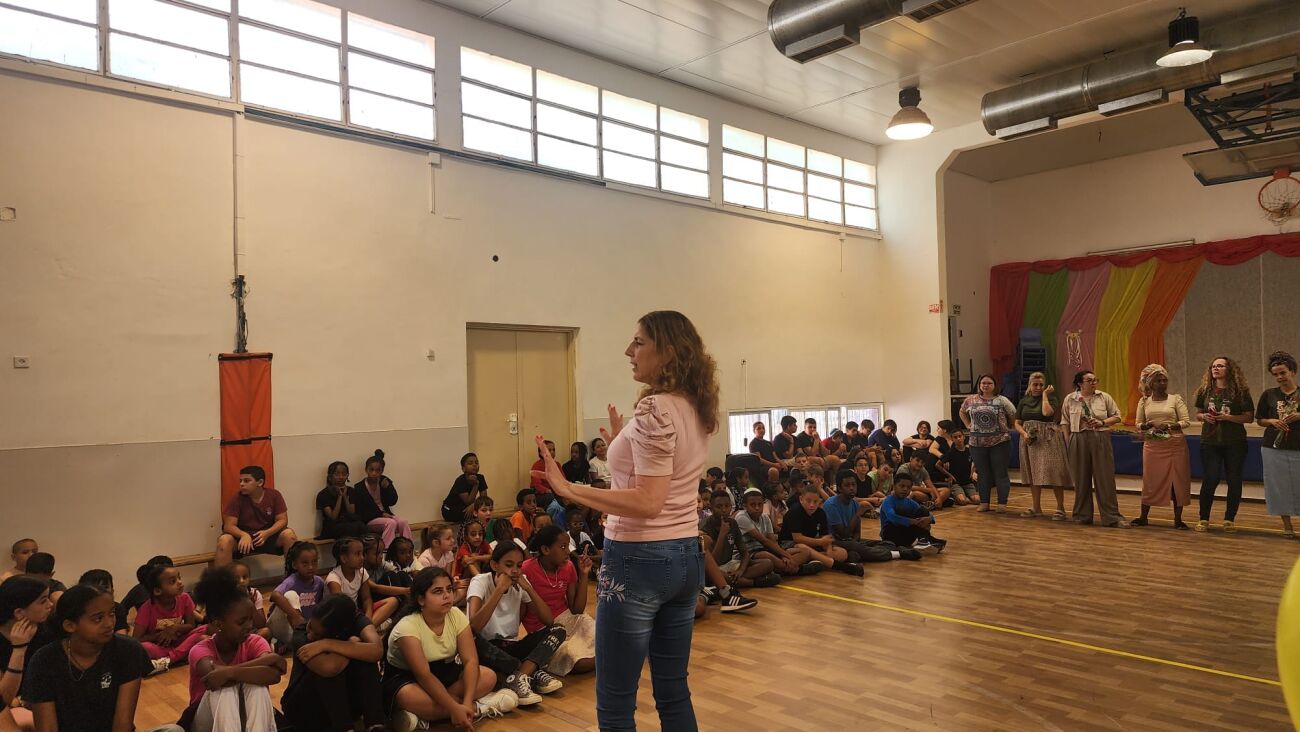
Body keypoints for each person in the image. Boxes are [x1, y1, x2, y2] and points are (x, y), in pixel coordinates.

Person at [531, 311, 714, 730]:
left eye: (639, 342)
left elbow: (649, 502)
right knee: (673, 690)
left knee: (615, 701)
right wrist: (622, 446)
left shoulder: (654, 408)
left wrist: (569, 488)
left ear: (668, 352)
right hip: (685, 555)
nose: (629, 351)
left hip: (639, 559)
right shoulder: (694, 405)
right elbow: (664, 479)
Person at [21, 585, 181, 732]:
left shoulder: (127, 649)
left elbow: (123, 724)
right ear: (70, 625)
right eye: (98, 618)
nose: (109, 623)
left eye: (111, 614)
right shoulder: (44, 660)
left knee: (173, 730)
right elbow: (48, 728)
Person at [383, 568, 519, 730]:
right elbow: (424, 675)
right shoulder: (407, 627)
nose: (447, 595)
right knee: (408, 696)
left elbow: (470, 661)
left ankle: (425, 716)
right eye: (438, 591)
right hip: (408, 678)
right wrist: (454, 708)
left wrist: (467, 701)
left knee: (488, 676)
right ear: (421, 599)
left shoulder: (455, 614)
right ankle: (481, 707)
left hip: (444, 672)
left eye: (449, 589)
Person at [183, 567, 286, 732]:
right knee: (224, 690)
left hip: (246, 718)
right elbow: (214, 679)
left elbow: (273, 676)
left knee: (257, 686)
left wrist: (229, 672)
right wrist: (268, 660)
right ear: (217, 623)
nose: (249, 626)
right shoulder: (200, 649)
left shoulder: (255, 641)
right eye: (241, 622)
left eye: (250, 619)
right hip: (208, 723)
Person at [467, 542, 566, 705]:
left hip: (510, 647)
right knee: (471, 637)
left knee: (558, 629)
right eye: (508, 565)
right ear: (494, 565)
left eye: (519, 566)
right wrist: (499, 590)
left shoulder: (521, 583)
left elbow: (548, 620)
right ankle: (531, 673)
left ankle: (518, 676)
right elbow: (474, 626)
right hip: (484, 648)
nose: (515, 570)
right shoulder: (480, 581)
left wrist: (528, 588)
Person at [281, 595, 385, 732]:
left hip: (344, 704)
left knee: (367, 661)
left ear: (338, 633)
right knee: (335, 668)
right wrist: (351, 644)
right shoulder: (301, 633)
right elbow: (329, 668)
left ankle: (375, 725)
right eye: (310, 625)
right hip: (305, 707)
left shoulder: (354, 621)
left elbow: (377, 650)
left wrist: (327, 644)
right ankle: (346, 728)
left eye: (318, 635)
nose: (310, 635)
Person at [521, 525, 597, 676]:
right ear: (545, 549)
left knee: (601, 633)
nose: (568, 552)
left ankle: (604, 655)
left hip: (568, 619)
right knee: (579, 662)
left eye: (568, 546)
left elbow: (577, 610)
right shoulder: (526, 569)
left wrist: (583, 575)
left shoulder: (568, 567)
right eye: (562, 547)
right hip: (543, 629)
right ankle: (605, 656)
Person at [1060, 370, 1130, 528]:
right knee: (1080, 479)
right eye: (1089, 380)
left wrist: (1102, 422)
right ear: (1080, 383)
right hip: (1078, 438)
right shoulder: (1070, 399)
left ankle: (1112, 517)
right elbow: (1064, 421)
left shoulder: (1104, 397)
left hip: (1100, 437)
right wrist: (1068, 440)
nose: (1093, 383)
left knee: (1105, 478)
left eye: (1095, 380)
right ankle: (1082, 515)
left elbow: (1117, 416)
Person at [1193, 356, 1255, 532]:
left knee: (1234, 480)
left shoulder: (1241, 391)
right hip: (1210, 442)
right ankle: (1204, 518)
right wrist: (1204, 417)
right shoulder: (1205, 390)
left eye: (1220, 366)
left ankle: (1229, 519)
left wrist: (1228, 417)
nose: (1215, 368)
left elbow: (1249, 417)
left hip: (1235, 442)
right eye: (1213, 366)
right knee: (1210, 479)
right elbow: (1198, 413)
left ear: (1229, 370)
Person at [1135, 364, 1193, 529]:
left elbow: (1186, 421)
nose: (1163, 383)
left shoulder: (1175, 399)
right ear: (1150, 383)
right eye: (1158, 381)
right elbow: (1138, 424)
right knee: (1150, 480)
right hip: (1153, 444)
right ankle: (1143, 517)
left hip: (1174, 444)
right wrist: (1147, 426)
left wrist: (1168, 426)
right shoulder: (1144, 401)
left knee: (1177, 481)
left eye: (1165, 380)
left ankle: (1178, 520)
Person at [825, 473, 921, 562]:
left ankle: (859, 553)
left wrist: (856, 544)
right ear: (839, 488)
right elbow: (843, 535)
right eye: (847, 485)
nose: (851, 488)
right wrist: (857, 514)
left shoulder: (854, 503)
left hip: (850, 542)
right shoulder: (832, 505)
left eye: (854, 485)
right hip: (834, 542)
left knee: (889, 544)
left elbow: (857, 534)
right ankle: (898, 554)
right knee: (854, 546)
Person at [215, 465, 299, 568]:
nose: (241, 484)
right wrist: (243, 535)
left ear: (260, 482)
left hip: (267, 537)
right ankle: (222, 578)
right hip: (243, 540)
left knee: (289, 535)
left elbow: (282, 520)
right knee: (224, 540)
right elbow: (228, 526)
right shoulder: (236, 498)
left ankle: (292, 574)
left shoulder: (274, 495)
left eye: (246, 481)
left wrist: (267, 533)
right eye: (240, 481)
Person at [0, 576, 54, 732]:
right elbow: (4, 699)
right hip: (12, 710)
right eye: (43, 601)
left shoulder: (49, 630)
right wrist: (19, 649)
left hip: (41, 702)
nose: (50, 605)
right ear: (19, 612)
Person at [1015, 372, 1070, 520]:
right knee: (1033, 473)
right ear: (1030, 385)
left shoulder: (1051, 398)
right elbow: (1017, 422)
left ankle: (1060, 508)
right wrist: (1024, 434)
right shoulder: (1024, 401)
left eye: (1041, 385)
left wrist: (1045, 395)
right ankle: (1036, 507)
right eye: (1035, 384)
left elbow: (1047, 413)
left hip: (1048, 438)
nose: (1038, 387)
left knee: (1055, 471)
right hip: (1030, 439)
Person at [1257, 351, 1300, 538]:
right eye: (1275, 374)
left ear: (1292, 372)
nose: (1279, 377)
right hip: (1273, 448)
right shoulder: (1269, 395)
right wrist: (1272, 421)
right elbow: (1260, 419)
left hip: (1298, 446)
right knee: (1280, 487)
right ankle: (1287, 526)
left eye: (1283, 373)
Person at [780, 483, 865, 576]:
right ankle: (841, 566)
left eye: (815, 501)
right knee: (804, 548)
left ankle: (816, 561)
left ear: (820, 501)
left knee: (842, 553)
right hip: (790, 544)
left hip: (811, 543)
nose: (811, 505)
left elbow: (826, 537)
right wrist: (820, 542)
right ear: (801, 499)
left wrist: (829, 551)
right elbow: (797, 538)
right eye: (808, 501)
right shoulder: (795, 511)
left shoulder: (821, 513)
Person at [961, 374, 1018, 513]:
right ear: (979, 385)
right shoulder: (971, 400)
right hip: (976, 443)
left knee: (1000, 473)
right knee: (982, 473)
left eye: (989, 383)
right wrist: (968, 424)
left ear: (994, 385)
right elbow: (962, 412)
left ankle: (1002, 503)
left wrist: (1009, 426)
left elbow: (1014, 414)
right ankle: (984, 503)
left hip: (1000, 443)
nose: (985, 385)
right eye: (983, 383)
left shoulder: (1002, 400)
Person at [132, 564, 205, 672]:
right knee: (144, 647)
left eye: (179, 578)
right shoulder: (147, 608)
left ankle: (170, 660)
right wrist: (160, 635)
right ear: (157, 591)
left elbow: (191, 625)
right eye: (173, 581)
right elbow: (136, 639)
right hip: (160, 647)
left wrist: (175, 628)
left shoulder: (185, 598)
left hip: (180, 642)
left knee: (205, 630)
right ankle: (181, 656)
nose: (179, 582)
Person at [734, 488, 821, 577]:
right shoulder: (742, 517)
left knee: (805, 552)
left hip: (765, 550)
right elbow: (764, 541)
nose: (757, 508)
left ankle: (782, 569)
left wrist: (784, 556)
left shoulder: (765, 518)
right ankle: (798, 569)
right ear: (745, 506)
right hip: (747, 554)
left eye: (760, 504)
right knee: (767, 556)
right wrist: (788, 557)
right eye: (753, 505)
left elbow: (773, 542)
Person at [700, 491, 778, 588]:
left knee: (767, 563)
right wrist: (722, 534)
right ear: (711, 508)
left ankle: (735, 581)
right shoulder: (704, 527)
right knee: (712, 575)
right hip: (713, 569)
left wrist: (740, 571)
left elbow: (745, 553)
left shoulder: (733, 523)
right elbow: (713, 562)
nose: (724, 510)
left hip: (730, 564)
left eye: (727, 506)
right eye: (719, 507)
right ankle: (753, 583)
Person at [326, 538, 398, 627]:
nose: (362, 558)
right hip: (338, 617)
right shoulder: (334, 578)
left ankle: (367, 627)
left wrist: (368, 618)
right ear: (344, 558)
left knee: (393, 601)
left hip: (356, 613)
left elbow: (366, 599)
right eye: (357, 554)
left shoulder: (361, 572)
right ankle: (367, 629)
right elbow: (340, 607)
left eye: (362, 553)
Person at [267, 542, 326, 649]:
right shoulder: (291, 581)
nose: (311, 567)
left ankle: (283, 644)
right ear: (295, 565)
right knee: (291, 595)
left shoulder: (319, 582)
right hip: (280, 624)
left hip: (302, 629)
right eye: (305, 563)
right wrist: (296, 616)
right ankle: (284, 640)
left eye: (314, 562)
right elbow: (275, 595)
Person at [351, 450, 411, 549]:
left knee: (403, 522)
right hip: (369, 519)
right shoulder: (359, 487)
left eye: (378, 470)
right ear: (366, 470)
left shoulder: (384, 481)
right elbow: (362, 510)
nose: (374, 473)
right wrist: (381, 514)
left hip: (386, 515)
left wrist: (388, 488)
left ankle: (408, 548)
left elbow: (393, 501)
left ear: (382, 471)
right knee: (390, 523)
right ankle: (386, 552)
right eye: (371, 470)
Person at [878, 475, 946, 553]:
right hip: (890, 537)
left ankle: (923, 540)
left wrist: (929, 519)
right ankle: (925, 540)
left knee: (922, 510)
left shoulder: (909, 502)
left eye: (908, 487)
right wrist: (912, 521)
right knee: (901, 511)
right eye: (902, 486)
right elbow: (892, 517)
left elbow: (926, 513)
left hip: (907, 538)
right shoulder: (888, 501)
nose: (905, 489)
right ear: (893, 486)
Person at [316, 461, 366, 540]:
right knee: (350, 529)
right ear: (330, 477)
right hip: (331, 527)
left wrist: (345, 496)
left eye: (344, 474)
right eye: (337, 474)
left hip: (348, 522)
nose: (341, 477)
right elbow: (333, 517)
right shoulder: (323, 494)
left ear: (347, 475)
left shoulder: (351, 491)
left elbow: (351, 512)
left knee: (361, 526)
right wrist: (340, 496)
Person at [442, 453, 489, 524]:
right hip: (449, 509)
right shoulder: (460, 480)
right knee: (473, 514)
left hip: (466, 507)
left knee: (485, 510)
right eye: (470, 463)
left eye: (476, 462)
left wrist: (474, 504)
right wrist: (476, 484)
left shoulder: (480, 477)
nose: (474, 465)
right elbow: (468, 502)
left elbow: (484, 498)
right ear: (463, 468)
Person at [229, 562, 270, 641]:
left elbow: (261, 624)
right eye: (236, 578)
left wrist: (251, 605)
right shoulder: (225, 596)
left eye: (245, 577)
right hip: (231, 634)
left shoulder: (254, 594)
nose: (241, 581)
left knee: (266, 632)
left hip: (250, 633)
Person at [937, 430, 977, 506]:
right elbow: (938, 465)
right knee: (962, 502)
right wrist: (949, 475)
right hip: (956, 483)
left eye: (960, 436)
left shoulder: (969, 451)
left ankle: (965, 496)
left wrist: (972, 472)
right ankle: (957, 496)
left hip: (968, 482)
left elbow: (976, 462)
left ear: (963, 437)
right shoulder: (951, 452)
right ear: (952, 439)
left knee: (977, 500)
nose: (958, 439)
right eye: (955, 437)